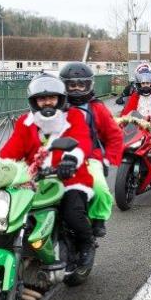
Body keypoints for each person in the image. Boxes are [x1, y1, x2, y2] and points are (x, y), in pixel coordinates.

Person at [0, 74, 97, 268]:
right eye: (42, 98)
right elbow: (12, 149)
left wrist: (71, 159)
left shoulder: (74, 117)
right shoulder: (25, 123)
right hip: (33, 180)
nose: (47, 103)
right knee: (8, 212)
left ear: (60, 99)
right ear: (34, 101)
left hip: (69, 177)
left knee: (72, 213)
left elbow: (83, 141)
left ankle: (87, 244)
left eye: (51, 97)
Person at [60, 62, 123, 238]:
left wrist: (107, 160)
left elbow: (114, 135)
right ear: (64, 85)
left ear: (89, 85)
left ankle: (98, 219)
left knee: (101, 189)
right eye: (72, 85)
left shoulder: (96, 108)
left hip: (90, 158)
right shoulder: (56, 106)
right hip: (56, 158)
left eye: (81, 85)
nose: (77, 89)